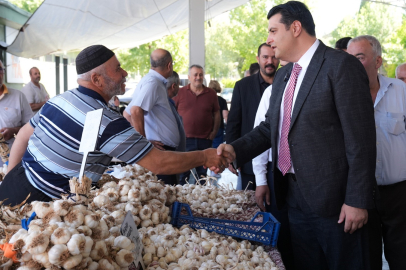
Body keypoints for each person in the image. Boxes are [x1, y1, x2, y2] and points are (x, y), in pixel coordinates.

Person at [217, 2, 376, 270]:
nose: (268, 39)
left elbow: (361, 140)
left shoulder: (340, 66)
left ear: (295, 28)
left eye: (272, 30)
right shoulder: (283, 76)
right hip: (293, 199)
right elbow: (270, 128)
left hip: (337, 204)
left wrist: (357, 200)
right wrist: (235, 149)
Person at [0, 45, 228, 206]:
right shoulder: (108, 121)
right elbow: (159, 163)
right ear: (97, 80)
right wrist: (205, 157)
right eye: (118, 69)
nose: (125, 73)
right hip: (42, 208)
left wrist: (11, 179)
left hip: (14, 186)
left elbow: (22, 137)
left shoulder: (59, 100)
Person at [348, 35, 406, 270]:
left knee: (402, 257)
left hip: (399, 195)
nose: (352, 64)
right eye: (349, 58)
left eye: (359, 58)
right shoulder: (343, 97)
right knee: (365, 260)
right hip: (361, 196)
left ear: (378, 61)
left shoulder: (401, 91)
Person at [123, 49, 181, 185]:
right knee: (166, 197)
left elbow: (127, 114)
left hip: (161, 150)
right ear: (169, 65)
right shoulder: (153, 83)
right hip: (160, 152)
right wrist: (144, 143)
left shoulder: (151, 81)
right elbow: (135, 110)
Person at [226, 43, 280, 191]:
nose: (270, 61)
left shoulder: (286, 84)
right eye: (265, 57)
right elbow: (233, 123)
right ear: (258, 59)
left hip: (280, 164)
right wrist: (232, 157)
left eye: (274, 57)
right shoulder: (242, 86)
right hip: (249, 159)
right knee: (250, 208)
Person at [252, 84, 294, 269]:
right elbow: (261, 134)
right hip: (276, 173)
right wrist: (261, 180)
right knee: (280, 233)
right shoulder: (273, 91)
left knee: (307, 239)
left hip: (310, 176)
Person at [173, 65, 220, 184]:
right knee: (184, 172)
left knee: (202, 174)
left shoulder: (211, 93)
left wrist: (214, 132)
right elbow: (172, 112)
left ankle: (201, 200)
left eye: (200, 75)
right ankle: (183, 200)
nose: (198, 77)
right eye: (195, 75)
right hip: (185, 140)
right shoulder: (180, 92)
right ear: (189, 77)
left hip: (205, 140)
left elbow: (217, 113)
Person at [0, 60, 33, 168]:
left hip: (13, 161)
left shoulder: (18, 96)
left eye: (0, 70)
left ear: (3, 72)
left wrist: (14, 130)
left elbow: (32, 127)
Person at [166, 71, 186, 153]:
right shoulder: (163, 105)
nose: (179, 88)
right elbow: (129, 114)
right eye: (179, 85)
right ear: (174, 86)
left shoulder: (169, 103)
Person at [208, 80, 228, 148]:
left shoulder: (206, 100)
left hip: (207, 128)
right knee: (217, 149)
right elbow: (225, 116)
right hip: (219, 127)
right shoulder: (222, 100)